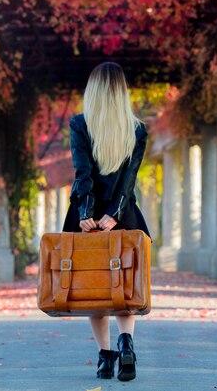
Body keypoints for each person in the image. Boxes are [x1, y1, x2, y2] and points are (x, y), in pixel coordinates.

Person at [62, 62, 150, 382]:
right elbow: (129, 181)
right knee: (122, 286)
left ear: (94, 91)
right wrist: (115, 214)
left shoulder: (80, 125)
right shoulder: (137, 129)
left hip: (86, 219)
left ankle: (104, 357)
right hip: (124, 217)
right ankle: (126, 345)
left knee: (92, 289)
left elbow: (82, 174)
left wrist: (86, 214)